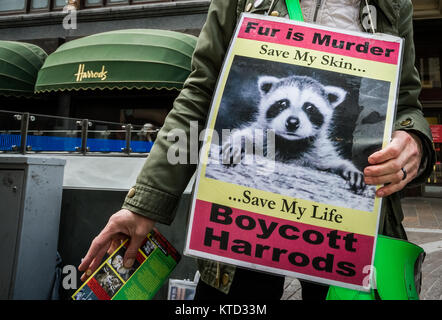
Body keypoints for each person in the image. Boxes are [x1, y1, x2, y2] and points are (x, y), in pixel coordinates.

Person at [78, 0, 435, 300]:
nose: (294, 120)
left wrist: (414, 140)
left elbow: (405, 104)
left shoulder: (389, 4)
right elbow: (201, 95)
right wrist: (145, 203)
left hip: (347, 239)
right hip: (237, 233)